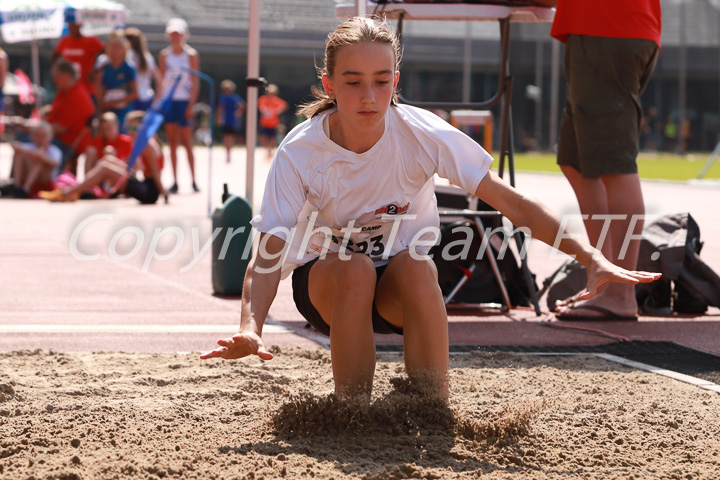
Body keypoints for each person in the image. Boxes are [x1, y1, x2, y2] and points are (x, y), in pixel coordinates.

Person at [199, 18, 660, 401]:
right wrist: (251, 326)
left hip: (401, 287)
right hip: (329, 287)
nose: (368, 97)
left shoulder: (422, 133)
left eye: (382, 82)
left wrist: (589, 257)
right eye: (353, 82)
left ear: (396, 81)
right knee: (355, 265)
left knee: (418, 268)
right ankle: (351, 410)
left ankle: (431, 406)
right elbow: (269, 251)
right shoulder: (301, 151)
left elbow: (513, 203)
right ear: (329, 84)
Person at [549, 0, 662, 320]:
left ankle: (621, 292)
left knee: (613, 165)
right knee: (575, 161)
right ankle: (605, 281)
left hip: (607, 26)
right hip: (601, 28)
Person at [40, 110, 167, 204]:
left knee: (106, 167)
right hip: (144, 184)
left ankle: (69, 193)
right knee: (108, 161)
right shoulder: (142, 143)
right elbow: (139, 168)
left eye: (133, 128)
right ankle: (79, 190)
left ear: (143, 127)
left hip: (149, 192)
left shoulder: (147, 145)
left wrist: (164, 194)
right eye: (128, 128)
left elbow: (155, 173)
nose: (130, 131)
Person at [158, 17, 200, 194]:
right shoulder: (164, 55)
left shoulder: (190, 54)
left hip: (184, 101)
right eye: (172, 34)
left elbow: (195, 81)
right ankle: (175, 181)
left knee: (187, 141)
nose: (175, 37)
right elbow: (161, 80)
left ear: (184, 35)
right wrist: (160, 101)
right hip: (170, 102)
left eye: (178, 34)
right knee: (172, 142)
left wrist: (191, 104)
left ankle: (193, 180)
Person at [46, 59, 96, 175]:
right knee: (25, 140)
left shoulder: (77, 95)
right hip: (58, 138)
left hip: (67, 142)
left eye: (57, 77)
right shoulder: (64, 91)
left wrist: (34, 129)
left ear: (67, 76)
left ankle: (37, 184)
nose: (54, 80)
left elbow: (60, 128)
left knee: (28, 140)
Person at [96, 30, 137, 131]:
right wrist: (101, 107)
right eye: (113, 46)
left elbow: (135, 93)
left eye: (118, 47)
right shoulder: (106, 67)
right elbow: (102, 90)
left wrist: (119, 101)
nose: (116, 50)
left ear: (124, 49)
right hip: (108, 109)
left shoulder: (129, 67)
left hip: (124, 110)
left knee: (122, 132)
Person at [6, 122, 62, 198]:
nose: (41, 138)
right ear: (33, 137)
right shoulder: (30, 146)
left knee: (39, 161)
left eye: (43, 136)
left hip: (45, 182)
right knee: (19, 155)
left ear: (50, 137)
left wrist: (42, 156)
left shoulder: (54, 150)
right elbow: (14, 145)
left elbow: (55, 164)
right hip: (27, 177)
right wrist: (34, 154)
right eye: (38, 135)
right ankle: (17, 187)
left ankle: (26, 189)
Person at [52, 22, 105, 100]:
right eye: (71, 24)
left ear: (80, 25)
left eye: (75, 24)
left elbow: (107, 53)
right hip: (68, 90)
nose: (72, 27)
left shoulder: (90, 41)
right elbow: (53, 58)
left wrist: (96, 70)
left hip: (86, 88)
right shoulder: (64, 41)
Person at [125, 27, 162, 112]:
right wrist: (157, 100)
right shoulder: (148, 57)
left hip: (132, 99)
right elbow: (159, 81)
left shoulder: (128, 57)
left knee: (132, 125)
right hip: (147, 98)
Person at [216, 79, 245, 163]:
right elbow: (219, 109)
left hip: (232, 120)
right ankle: (227, 152)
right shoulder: (222, 98)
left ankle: (230, 152)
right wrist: (218, 119)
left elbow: (242, 105)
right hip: (224, 120)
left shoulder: (234, 97)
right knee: (225, 137)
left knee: (231, 137)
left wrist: (238, 113)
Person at [257, 83, 288, 161]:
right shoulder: (263, 99)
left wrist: (277, 111)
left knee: (272, 138)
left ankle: (270, 152)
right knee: (264, 138)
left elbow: (284, 105)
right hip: (264, 122)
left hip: (273, 123)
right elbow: (261, 106)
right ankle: (266, 151)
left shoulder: (276, 100)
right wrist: (264, 109)